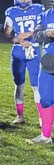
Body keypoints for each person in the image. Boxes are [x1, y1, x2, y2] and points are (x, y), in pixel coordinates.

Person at [4, 0, 45, 125]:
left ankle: (42, 117)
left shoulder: (39, 9)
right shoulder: (11, 12)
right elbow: (7, 34)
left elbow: (43, 29)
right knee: (19, 85)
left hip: (33, 50)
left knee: (36, 85)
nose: (23, 0)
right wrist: (18, 39)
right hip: (18, 52)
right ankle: (20, 115)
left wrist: (27, 34)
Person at [30, 8, 54, 144]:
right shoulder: (46, 15)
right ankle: (46, 136)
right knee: (46, 98)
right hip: (48, 61)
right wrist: (47, 33)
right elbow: (36, 35)